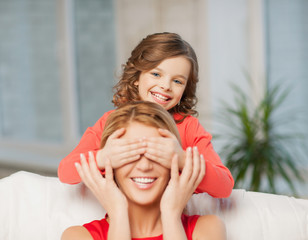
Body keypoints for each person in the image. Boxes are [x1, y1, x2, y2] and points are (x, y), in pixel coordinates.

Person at [58, 32, 234, 198]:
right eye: (156, 74)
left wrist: (182, 159)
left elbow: (224, 186)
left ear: (185, 89)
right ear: (136, 77)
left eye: (178, 81)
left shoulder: (188, 127)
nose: (166, 86)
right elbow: (65, 172)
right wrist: (103, 157)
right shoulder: (111, 122)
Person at [61, 102, 226, 240]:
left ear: (173, 164)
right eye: (131, 155)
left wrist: (171, 216)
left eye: (155, 154)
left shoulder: (207, 229)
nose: (145, 166)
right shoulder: (78, 236)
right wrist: (118, 214)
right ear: (110, 165)